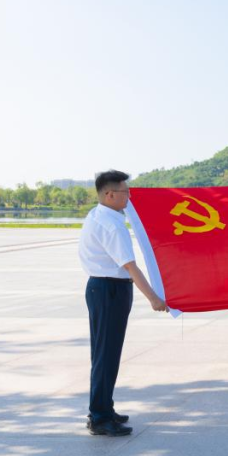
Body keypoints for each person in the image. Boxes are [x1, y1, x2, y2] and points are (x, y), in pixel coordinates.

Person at [78, 170, 167, 436]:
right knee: (106, 354)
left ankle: (103, 407)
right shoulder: (112, 225)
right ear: (109, 194)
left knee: (104, 353)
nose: (129, 196)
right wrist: (153, 298)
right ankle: (100, 417)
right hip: (110, 290)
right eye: (125, 192)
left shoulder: (98, 214)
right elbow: (130, 266)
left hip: (102, 288)